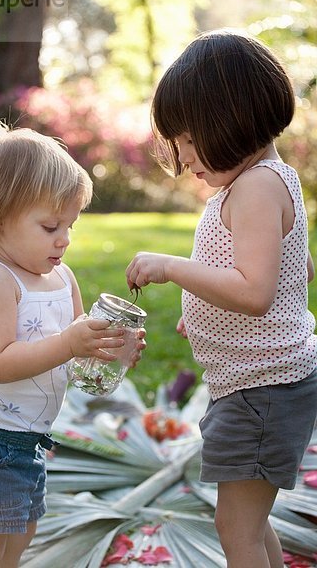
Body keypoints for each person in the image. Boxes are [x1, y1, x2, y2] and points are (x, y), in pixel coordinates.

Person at [126, 29, 317, 568]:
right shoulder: (264, 182)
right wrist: (209, 312)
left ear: (228, 120)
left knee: (237, 529)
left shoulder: (256, 187)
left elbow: (255, 292)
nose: (183, 155)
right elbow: (295, 271)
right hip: (258, 385)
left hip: (265, 390)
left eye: (187, 138)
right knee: (246, 526)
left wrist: (172, 269)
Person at [0, 122, 145, 568]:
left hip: (26, 443)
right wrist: (69, 342)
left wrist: (110, 351)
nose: (64, 238)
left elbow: (75, 356)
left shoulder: (62, 278)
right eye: (50, 226)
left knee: (19, 540)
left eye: (70, 225)